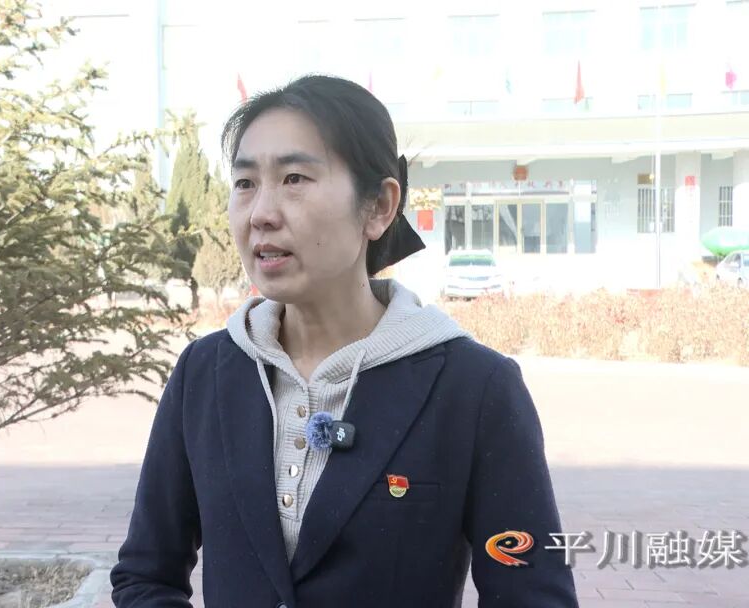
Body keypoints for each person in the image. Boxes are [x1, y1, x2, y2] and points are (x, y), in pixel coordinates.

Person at [110, 75, 578, 607]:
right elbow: (144, 574)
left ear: (378, 206)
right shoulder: (206, 372)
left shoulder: (474, 388)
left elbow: (534, 596)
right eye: (245, 183)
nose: (261, 212)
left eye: (294, 178)